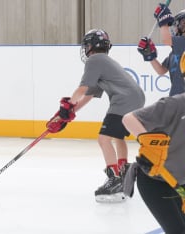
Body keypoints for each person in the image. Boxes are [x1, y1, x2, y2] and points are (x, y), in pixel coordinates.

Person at [46, 29, 145, 203]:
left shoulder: (94, 60)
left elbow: (82, 89)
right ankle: (122, 174)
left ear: (92, 46)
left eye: (87, 45)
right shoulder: (104, 62)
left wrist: (66, 107)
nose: (86, 48)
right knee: (117, 137)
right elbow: (89, 95)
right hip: (136, 98)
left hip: (123, 100)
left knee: (103, 138)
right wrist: (69, 114)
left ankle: (114, 179)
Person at [122, 94, 185, 233]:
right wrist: (150, 146)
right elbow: (129, 119)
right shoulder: (176, 104)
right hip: (156, 181)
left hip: (180, 182)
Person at [137, 4, 185, 97]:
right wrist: (150, 55)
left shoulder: (183, 43)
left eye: (177, 24)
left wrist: (163, 21)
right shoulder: (174, 52)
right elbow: (161, 70)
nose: (175, 27)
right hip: (175, 98)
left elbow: (166, 40)